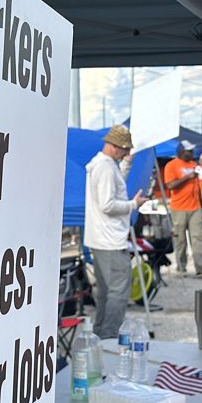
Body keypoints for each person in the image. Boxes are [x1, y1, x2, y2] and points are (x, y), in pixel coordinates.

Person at [84, 124, 146, 340]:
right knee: (118, 292)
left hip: (99, 238)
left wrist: (126, 166)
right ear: (115, 147)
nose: (126, 153)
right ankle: (109, 337)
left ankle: (100, 334)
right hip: (110, 239)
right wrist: (133, 205)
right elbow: (108, 204)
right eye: (124, 150)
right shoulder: (106, 168)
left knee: (106, 292)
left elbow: (112, 189)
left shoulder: (102, 165)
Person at [164, 140, 202, 276]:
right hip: (178, 207)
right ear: (181, 152)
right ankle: (181, 267)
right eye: (188, 151)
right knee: (180, 239)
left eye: (191, 151)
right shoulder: (171, 166)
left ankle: (201, 267)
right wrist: (187, 177)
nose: (191, 153)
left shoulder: (194, 165)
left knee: (197, 238)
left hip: (195, 207)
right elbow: (170, 185)